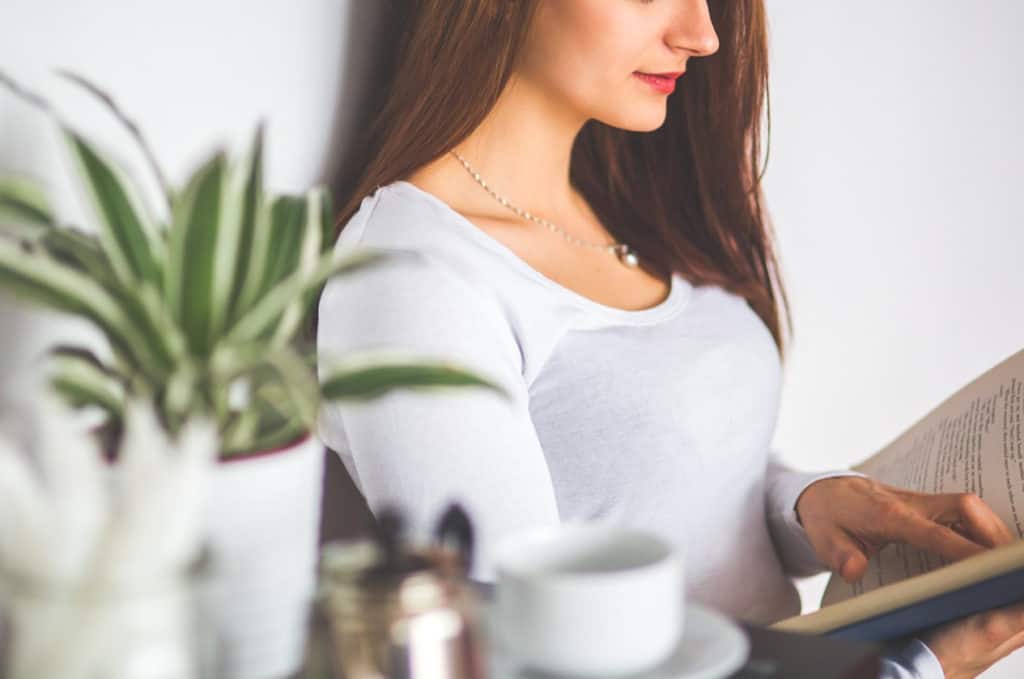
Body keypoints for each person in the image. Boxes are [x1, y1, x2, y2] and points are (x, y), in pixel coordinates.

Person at [315, 1, 1024, 676]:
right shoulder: (416, 274)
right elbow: (526, 655)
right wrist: (924, 668)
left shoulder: (622, 202)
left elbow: (654, 480)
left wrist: (806, 504)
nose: (703, 34)